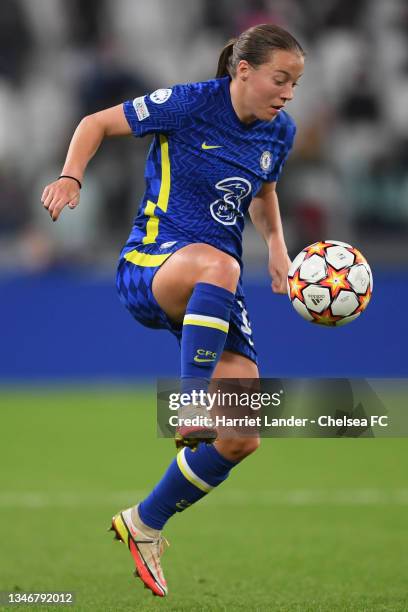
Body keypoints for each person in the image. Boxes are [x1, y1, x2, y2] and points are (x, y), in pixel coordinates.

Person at [41, 23, 305, 598]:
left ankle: (144, 523)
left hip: (215, 285)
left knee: (241, 437)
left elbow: (263, 192)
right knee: (221, 267)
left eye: (296, 83)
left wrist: (279, 248)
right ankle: (189, 400)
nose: (288, 93)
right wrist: (70, 176)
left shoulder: (278, 132)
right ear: (243, 70)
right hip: (151, 264)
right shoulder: (188, 104)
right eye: (280, 79)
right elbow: (95, 123)